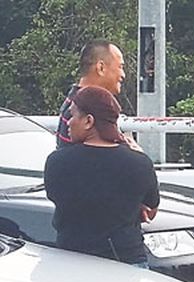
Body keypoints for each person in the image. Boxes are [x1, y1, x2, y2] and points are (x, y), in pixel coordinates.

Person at [45, 86, 159, 268]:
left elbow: (58, 198)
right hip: (127, 263)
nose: (68, 122)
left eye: (72, 116)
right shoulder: (140, 163)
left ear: (89, 121)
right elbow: (150, 212)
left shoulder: (57, 162)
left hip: (72, 263)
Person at [57, 39, 127, 148]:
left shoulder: (79, 104)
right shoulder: (79, 108)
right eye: (120, 67)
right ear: (101, 68)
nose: (123, 74)